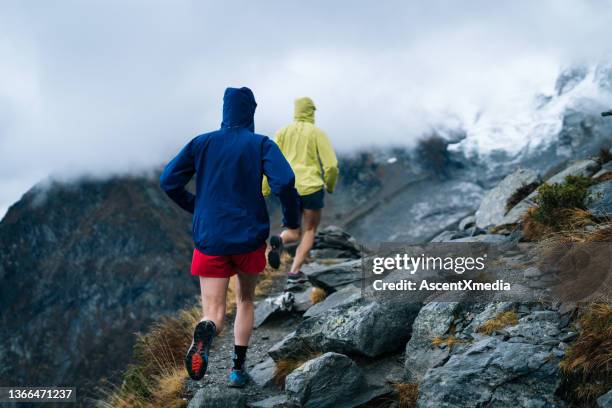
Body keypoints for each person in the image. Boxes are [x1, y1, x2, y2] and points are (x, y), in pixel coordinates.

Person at [160, 87, 300, 387]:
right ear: (250, 111)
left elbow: (168, 180)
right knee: (246, 300)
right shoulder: (260, 144)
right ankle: (237, 370)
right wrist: (291, 220)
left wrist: (196, 206)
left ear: (225, 110)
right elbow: (286, 182)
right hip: (249, 239)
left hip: (210, 238)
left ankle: (207, 330)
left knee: (213, 310)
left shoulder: (202, 143)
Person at [264, 97, 338, 284]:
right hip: (311, 187)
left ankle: (279, 241)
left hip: (289, 188)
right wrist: (329, 186)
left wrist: (264, 188)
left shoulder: (282, 132)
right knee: (310, 230)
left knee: (293, 230)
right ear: (311, 111)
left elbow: (268, 162)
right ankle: (295, 271)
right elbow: (331, 166)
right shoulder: (316, 133)